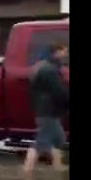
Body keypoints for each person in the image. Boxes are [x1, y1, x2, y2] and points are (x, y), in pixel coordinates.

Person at [23, 42, 69, 173]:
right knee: (41, 141)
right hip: (48, 111)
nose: (66, 54)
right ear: (57, 52)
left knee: (59, 138)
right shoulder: (50, 70)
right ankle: (27, 170)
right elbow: (59, 91)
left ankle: (58, 166)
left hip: (44, 109)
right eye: (64, 51)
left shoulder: (41, 66)